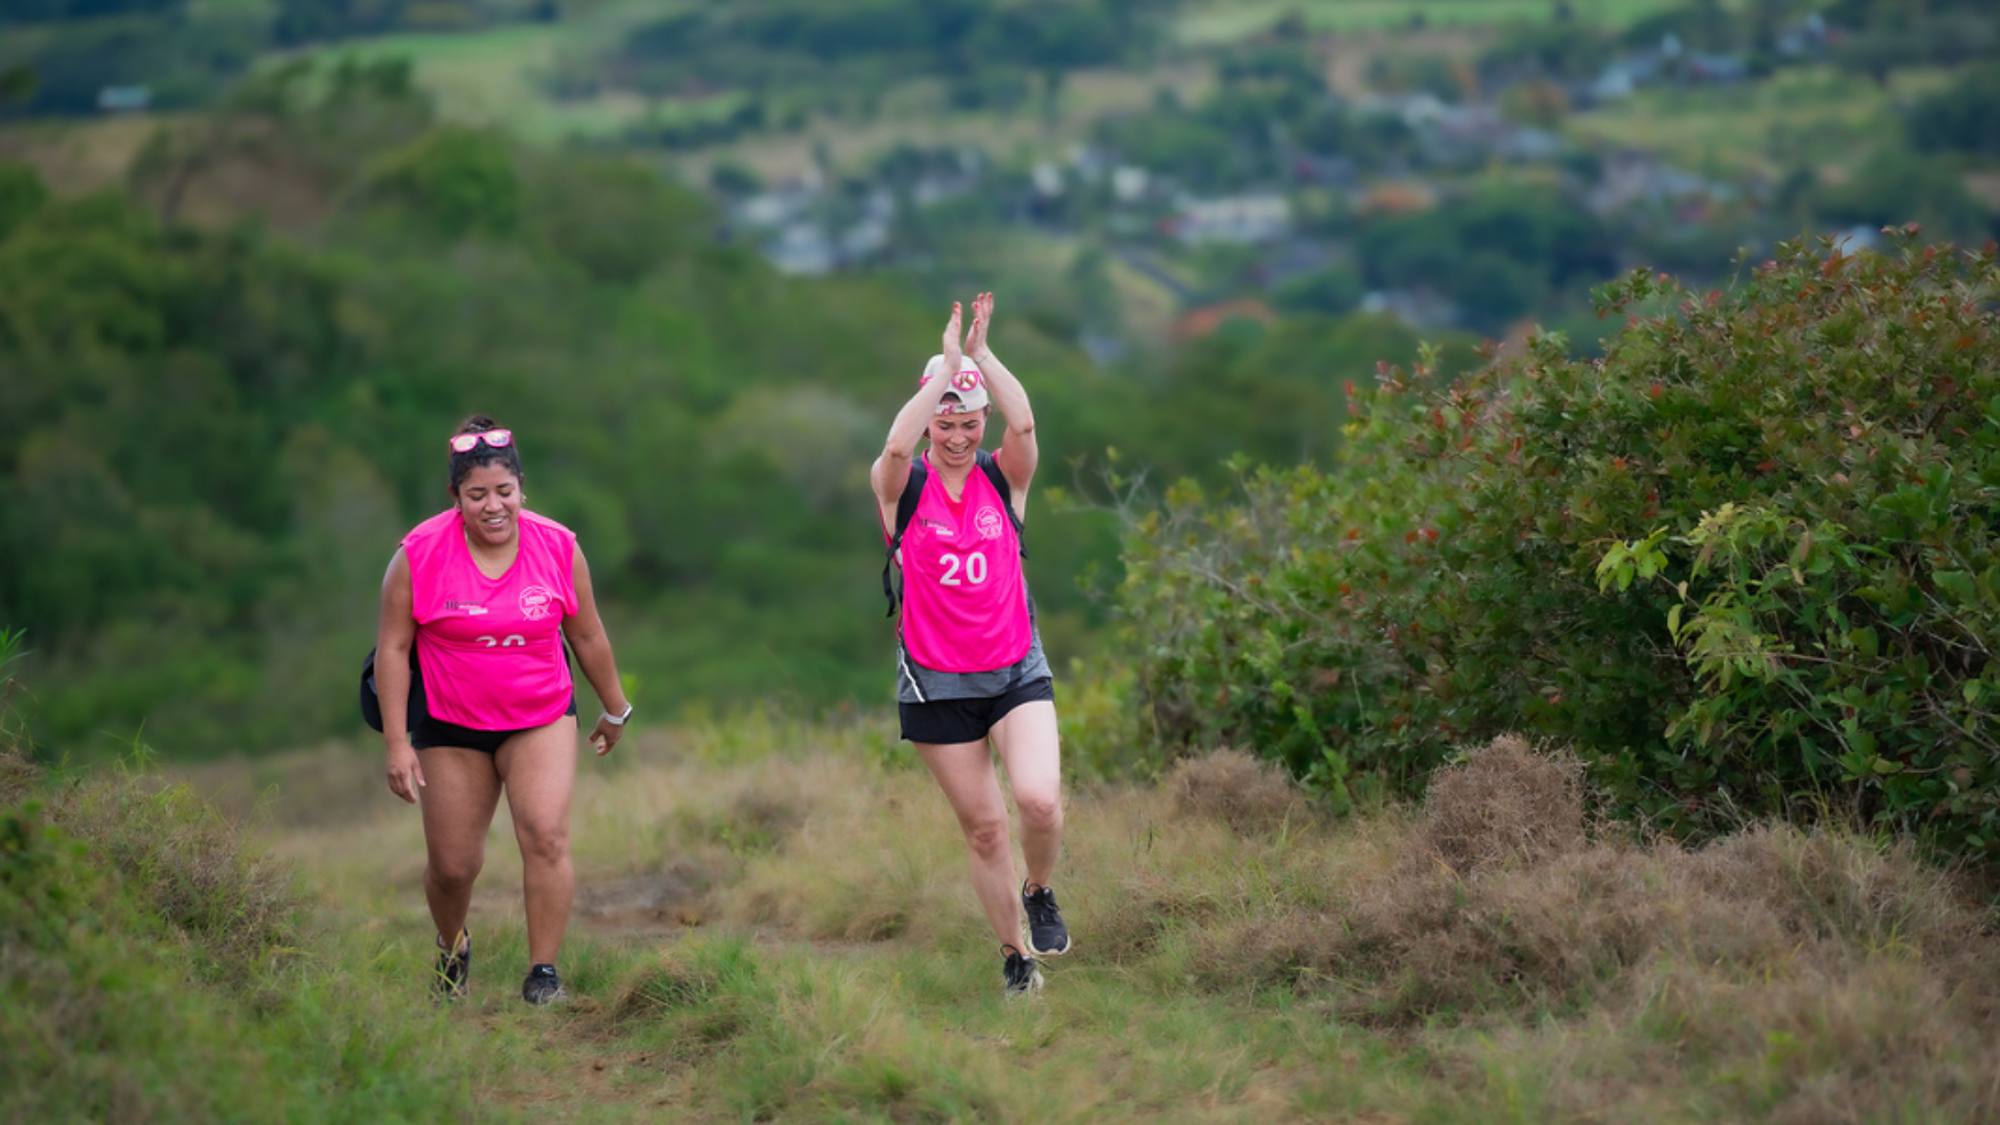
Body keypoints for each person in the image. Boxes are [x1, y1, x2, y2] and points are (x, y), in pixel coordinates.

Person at [376, 415, 634, 1005]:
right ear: (455, 498)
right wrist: (396, 742)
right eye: (477, 495)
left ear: (522, 489)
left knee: (546, 835)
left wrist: (615, 709)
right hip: (449, 725)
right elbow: (392, 648)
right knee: (453, 867)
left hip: (540, 714)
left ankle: (543, 973)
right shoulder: (417, 555)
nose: (493, 507)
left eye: (504, 492)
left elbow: (588, 637)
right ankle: (451, 946)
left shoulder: (559, 547)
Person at [871, 292, 1070, 998]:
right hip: (936, 687)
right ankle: (1017, 955)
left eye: (968, 420)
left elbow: (1026, 420)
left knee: (1039, 802)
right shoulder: (905, 485)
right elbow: (895, 447)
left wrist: (981, 358)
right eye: (946, 421)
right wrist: (942, 374)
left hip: (1016, 669)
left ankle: (1039, 888)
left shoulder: (1001, 474)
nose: (957, 434)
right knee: (986, 828)